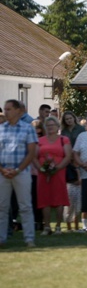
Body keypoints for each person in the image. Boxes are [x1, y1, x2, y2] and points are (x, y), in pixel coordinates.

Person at [0, 100, 38, 247]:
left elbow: (31, 153)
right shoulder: (1, 129)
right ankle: (1, 238)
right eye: (5, 109)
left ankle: (29, 239)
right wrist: (3, 170)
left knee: (25, 206)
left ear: (17, 110)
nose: (5, 112)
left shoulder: (28, 129)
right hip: (3, 173)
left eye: (8, 109)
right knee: (2, 207)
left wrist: (17, 170)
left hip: (22, 173)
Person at [34, 116, 72, 235]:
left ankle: (59, 226)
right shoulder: (40, 141)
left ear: (58, 127)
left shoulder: (64, 139)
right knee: (45, 199)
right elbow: (34, 157)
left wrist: (58, 168)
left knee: (59, 198)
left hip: (59, 172)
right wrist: (41, 168)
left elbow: (68, 156)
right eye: (48, 125)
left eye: (52, 125)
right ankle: (47, 227)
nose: (50, 127)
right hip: (43, 173)